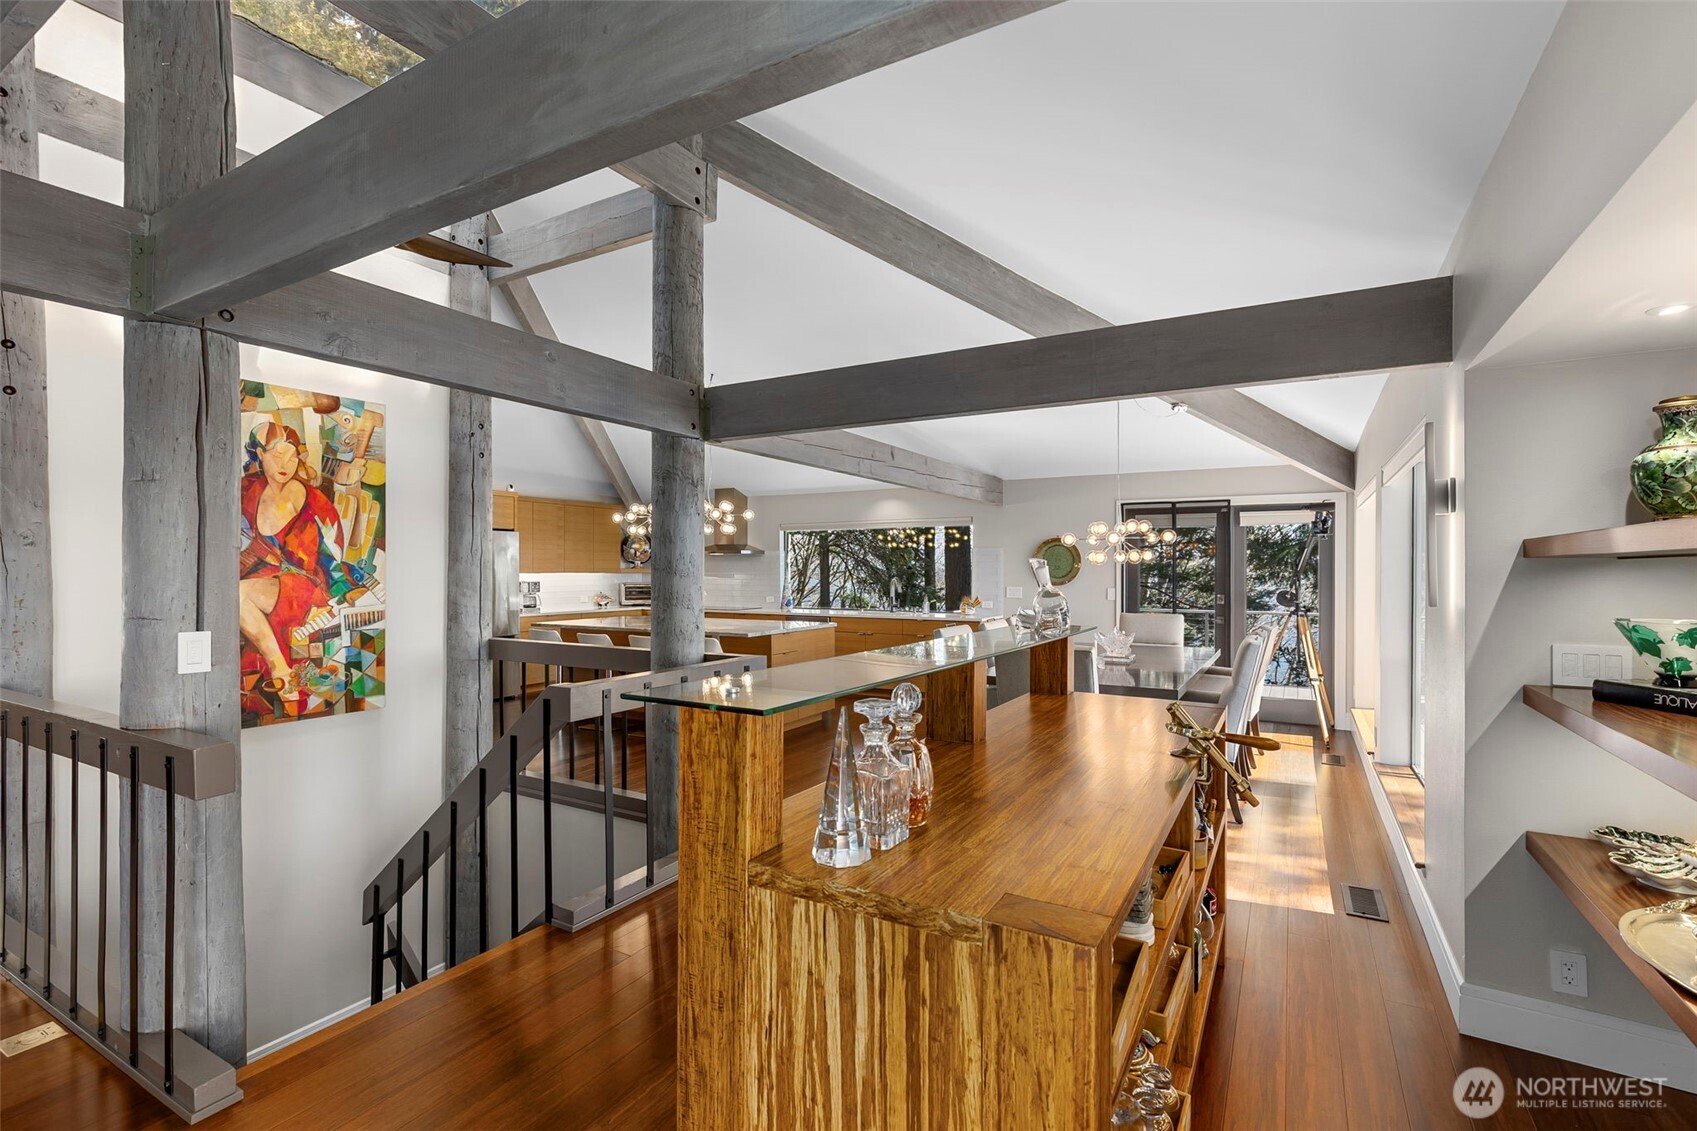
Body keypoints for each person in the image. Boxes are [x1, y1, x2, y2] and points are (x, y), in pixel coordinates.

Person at [238, 421, 377, 699]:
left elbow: (331, 556)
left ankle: (281, 671)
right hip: (260, 582)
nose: (285, 463)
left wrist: (342, 591)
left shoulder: (313, 501)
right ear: (259, 454)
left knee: (238, 595)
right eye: (277, 454)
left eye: (292, 455)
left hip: (305, 586)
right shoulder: (246, 490)